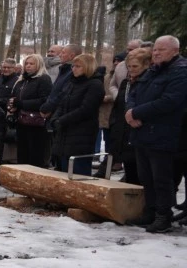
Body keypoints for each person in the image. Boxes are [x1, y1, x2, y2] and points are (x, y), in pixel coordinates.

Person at [126, 35, 187, 232]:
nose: (157, 53)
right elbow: (134, 92)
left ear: (175, 51)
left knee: (161, 178)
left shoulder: (180, 71)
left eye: (162, 49)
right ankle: (150, 212)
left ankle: (163, 215)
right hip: (142, 132)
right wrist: (130, 112)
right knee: (146, 176)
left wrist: (137, 113)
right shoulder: (152, 70)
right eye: (155, 50)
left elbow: (170, 101)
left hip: (164, 134)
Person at [48, 53, 105, 176]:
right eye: (73, 66)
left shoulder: (95, 85)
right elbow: (61, 103)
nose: (74, 69)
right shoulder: (72, 83)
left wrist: (62, 120)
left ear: (87, 67)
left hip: (82, 134)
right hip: (65, 133)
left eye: (78, 66)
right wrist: (55, 119)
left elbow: (86, 109)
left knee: (78, 173)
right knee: (64, 173)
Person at [108, 47, 151, 185]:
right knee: (130, 173)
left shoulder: (149, 83)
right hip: (123, 134)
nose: (131, 69)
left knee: (142, 176)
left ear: (146, 65)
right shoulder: (126, 83)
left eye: (135, 66)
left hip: (140, 133)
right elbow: (119, 107)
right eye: (129, 66)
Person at [7, 54, 53, 168]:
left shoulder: (44, 79)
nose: (28, 66)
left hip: (36, 123)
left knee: (35, 155)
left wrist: (22, 103)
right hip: (21, 121)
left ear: (38, 64)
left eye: (31, 64)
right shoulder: (22, 80)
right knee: (22, 154)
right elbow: (14, 96)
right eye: (26, 64)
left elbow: (45, 100)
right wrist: (12, 105)